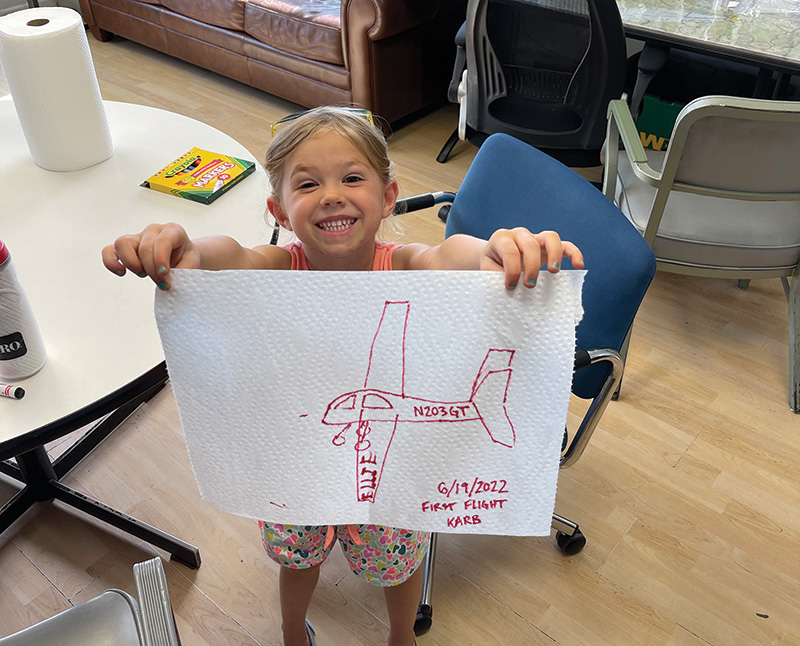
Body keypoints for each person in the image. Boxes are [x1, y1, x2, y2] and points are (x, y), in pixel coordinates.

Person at [102, 106, 584, 646]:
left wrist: (495, 251)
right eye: (307, 183)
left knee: (398, 565)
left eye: (352, 177)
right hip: (297, 466)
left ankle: (401, 637)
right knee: (298, 557)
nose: (332, 194)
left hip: (395, 472)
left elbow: (451, 256)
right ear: (278, 210)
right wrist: (187, 252)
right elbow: (230, 258)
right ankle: (291, 633)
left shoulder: (405, 265)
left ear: (387, 197)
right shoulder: (277, 268)